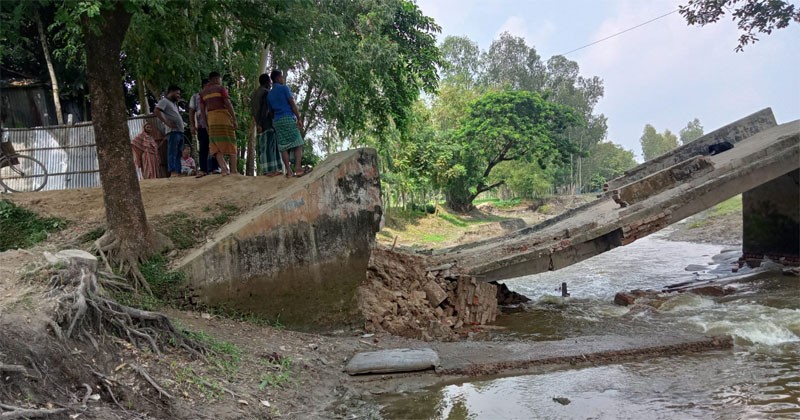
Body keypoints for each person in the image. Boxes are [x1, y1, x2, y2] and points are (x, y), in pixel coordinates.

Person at [267, 69, 307, 177]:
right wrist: (299, 118)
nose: (282, 79)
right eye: (281, 77)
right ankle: (298, 168)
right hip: (288, 118)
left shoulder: (269, 95)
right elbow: (292, 104)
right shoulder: (284, 88)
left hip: (277, 121)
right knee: (298, 143)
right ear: (277, 78)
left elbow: (271, 112)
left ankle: (289, 171)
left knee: (283, 146)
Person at [200, 72, 238, 175]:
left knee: (215, 144)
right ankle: (234, 170)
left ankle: (224, 169)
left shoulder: (203, 92)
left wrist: (206, 124)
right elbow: (228, 103)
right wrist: (234, 118)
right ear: (217, 79)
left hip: (211, 119)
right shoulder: (221, 88)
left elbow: (202, 111)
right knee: (231, 142)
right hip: (223, 117)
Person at [250, 73, 282, 176]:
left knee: (263, 147)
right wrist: (262, 122)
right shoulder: (266, 93)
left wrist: (257, 123)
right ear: (268, 82)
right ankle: (272, 169)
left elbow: (254, 110)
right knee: (270, 145)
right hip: (266, 122)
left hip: (259, 123)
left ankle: (265, 169)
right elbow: (265, 109)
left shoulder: (254, 94)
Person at [189, 78, 219, 176]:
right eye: (208, 86)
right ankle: (203, 169)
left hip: (214, 124)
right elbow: (191, 111)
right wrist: (192, 126)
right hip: (202, 125)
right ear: (204, 86)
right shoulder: (195, 97)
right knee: (203, 147)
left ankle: (215, 168)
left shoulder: (213, 95)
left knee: (216, 146)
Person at [154, 85, 185, 177]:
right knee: (172, 151)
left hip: (180, 131)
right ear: (171, 91)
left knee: (179, 152)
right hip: (173, 131)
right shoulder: (164, 101)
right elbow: (157, 110)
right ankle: (172, 171)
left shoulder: (174, 104)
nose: (179, 95)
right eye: (177, 93)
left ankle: (178, 171)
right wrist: (166, 123)